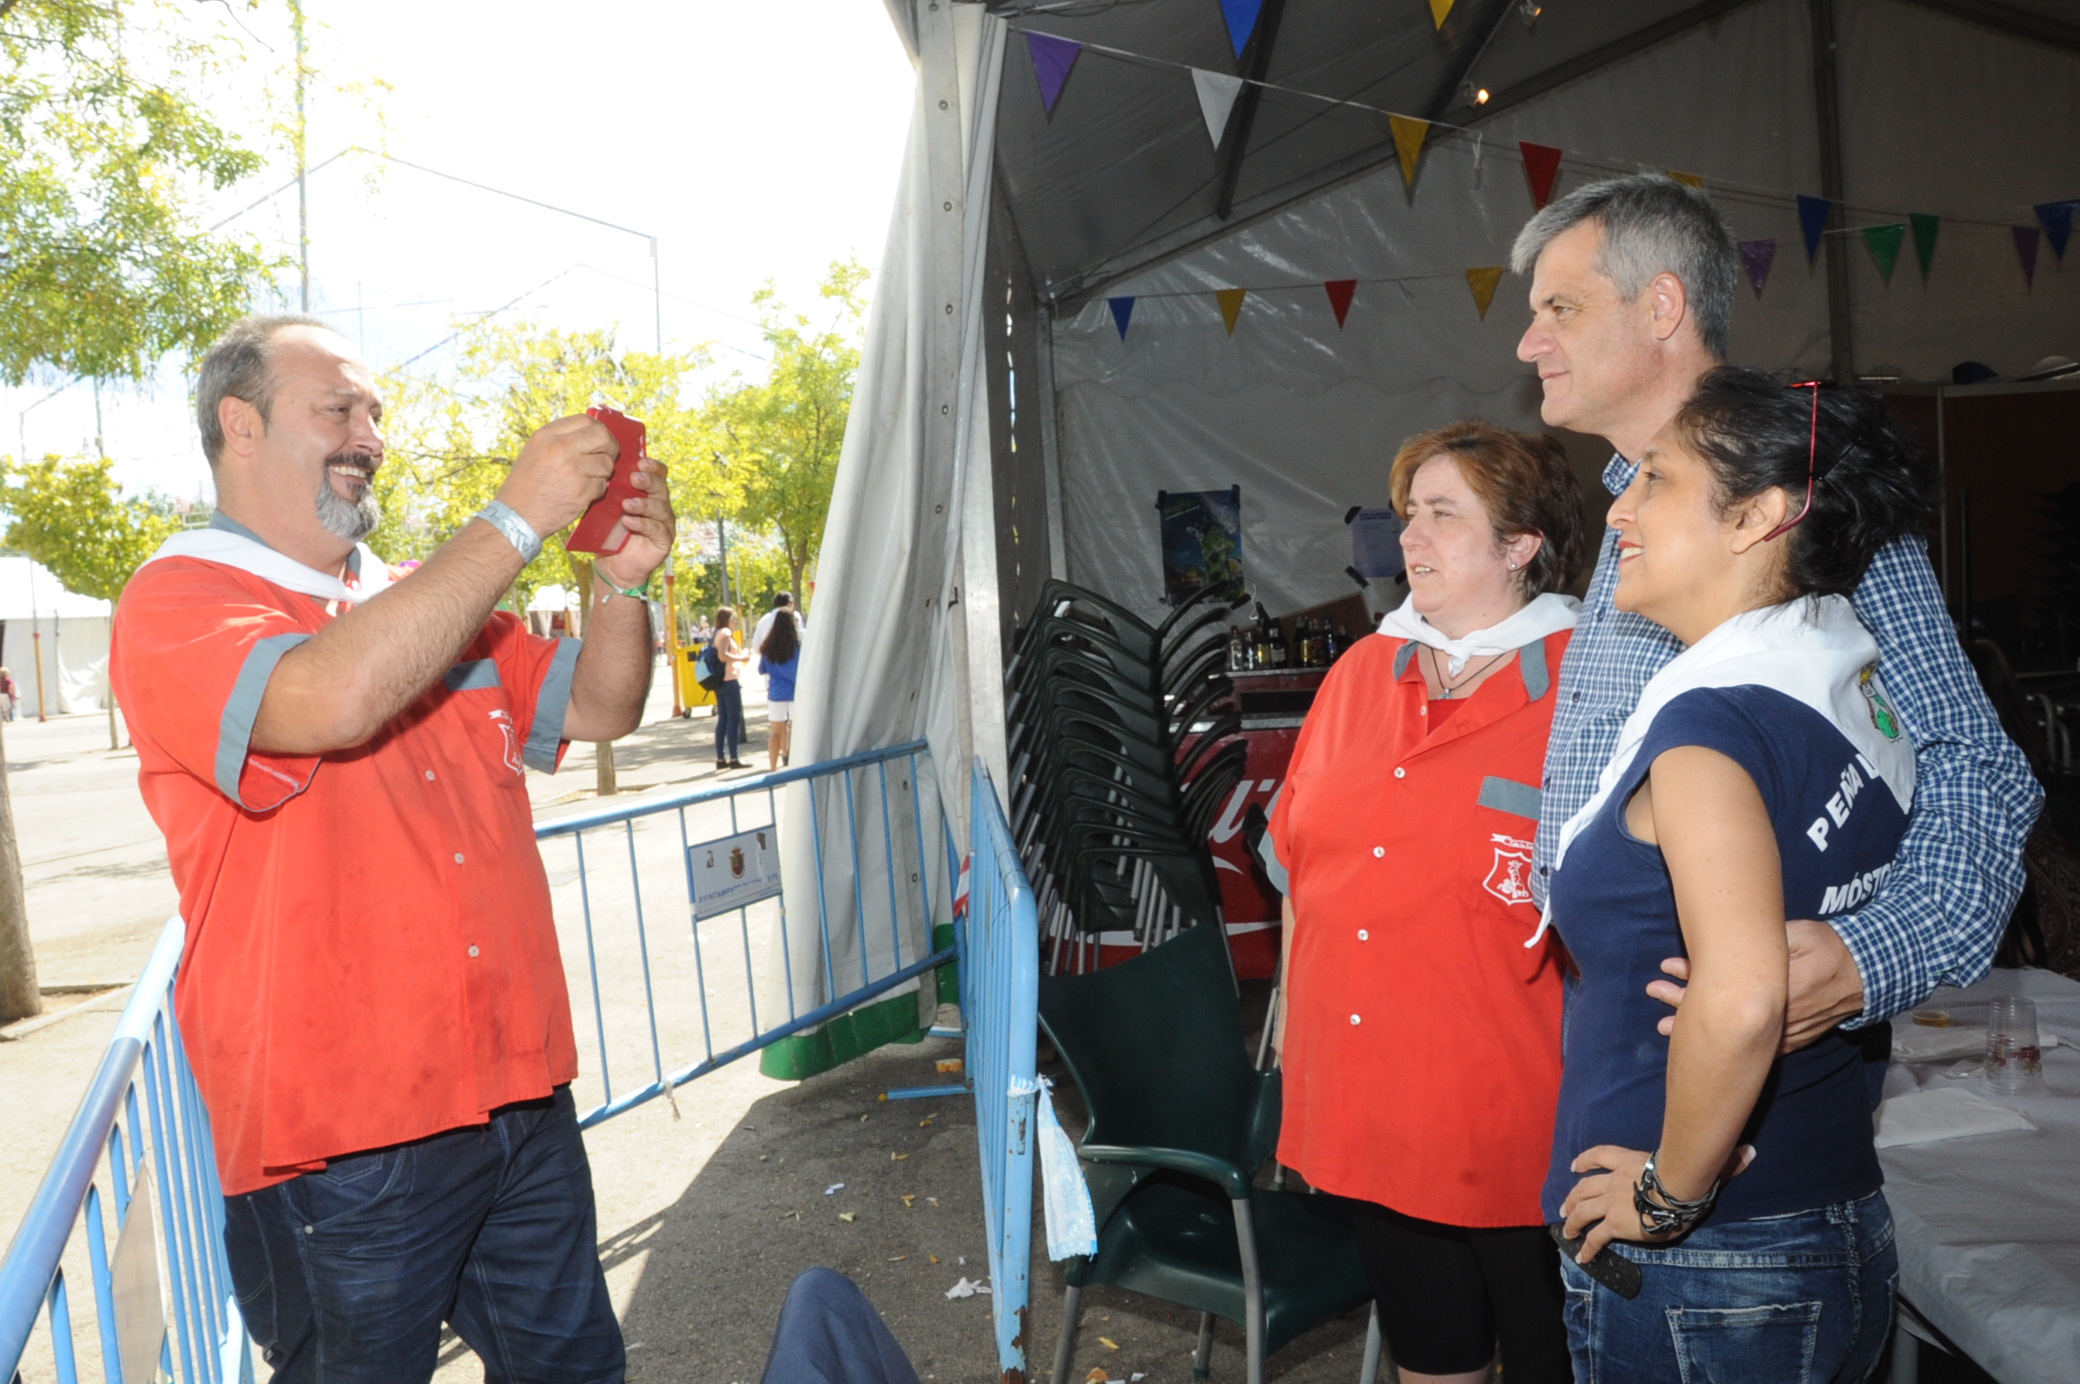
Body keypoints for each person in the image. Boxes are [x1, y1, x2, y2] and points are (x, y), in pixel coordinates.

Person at [108, 314, 675, 1384]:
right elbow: (330, 698)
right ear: (240, 424)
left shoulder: (426, 595)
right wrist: (515, 518)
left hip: (517, 1096)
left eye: (374, 413)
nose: (369, 436)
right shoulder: (178, 598)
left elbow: (603, 707)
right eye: (339, 409)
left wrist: (626, 582)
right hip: (344, 1140)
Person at [1512, 173, 2038, 1054]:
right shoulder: (1632, 509)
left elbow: (1968, 759)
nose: (1530, 343)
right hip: (1631, 1031)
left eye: (1559, 308)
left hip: (1752, 1045)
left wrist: (1870, 955)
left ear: (1663, 307)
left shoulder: (1793, 488)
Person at [1548, 369, 1933, 1378]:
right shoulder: (1845, 686)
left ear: (1757, 516)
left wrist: (1670, 1193)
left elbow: (1746, 998)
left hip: (1711, 1268)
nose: (1619, 511)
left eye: (1657, 480)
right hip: (1825, 1211)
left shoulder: (1712, 726)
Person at [1270, 421, 1586, 1384]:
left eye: (1444, 514)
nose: (1410, 536)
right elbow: (1298, 869)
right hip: (1373, 1104)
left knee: (1554, 1361)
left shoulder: (1587, 681)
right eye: (1409, 513)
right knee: (1432, 1357)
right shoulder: (1362, 673)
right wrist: (1293, 1033)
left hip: (1515, 1115)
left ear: (1520, 543)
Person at [758, 606, 800, 772]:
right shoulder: (796, 647)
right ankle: (797, 766)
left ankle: (773, 768)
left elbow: (762, 669)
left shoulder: (768, 647)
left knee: (775, 732)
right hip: (795, 693)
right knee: (797, 731)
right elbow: (796, 672)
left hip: (775, 693)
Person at [711, 604, 750, 769]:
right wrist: (741, 658)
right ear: (727, 620)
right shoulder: (726, 633)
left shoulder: (716, 633)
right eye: (733, 619)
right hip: (729, 678)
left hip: (719, 681)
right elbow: (723, 656)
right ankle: (734, 757)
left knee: (723, 720)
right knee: (733, 719)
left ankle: (720, 758)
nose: (735, 622)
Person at [751, 589, 796, 655]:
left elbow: (756, 644)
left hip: (768, 656)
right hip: (791, 655)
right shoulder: (794, 618)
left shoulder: (764, 619)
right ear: (790, 604)